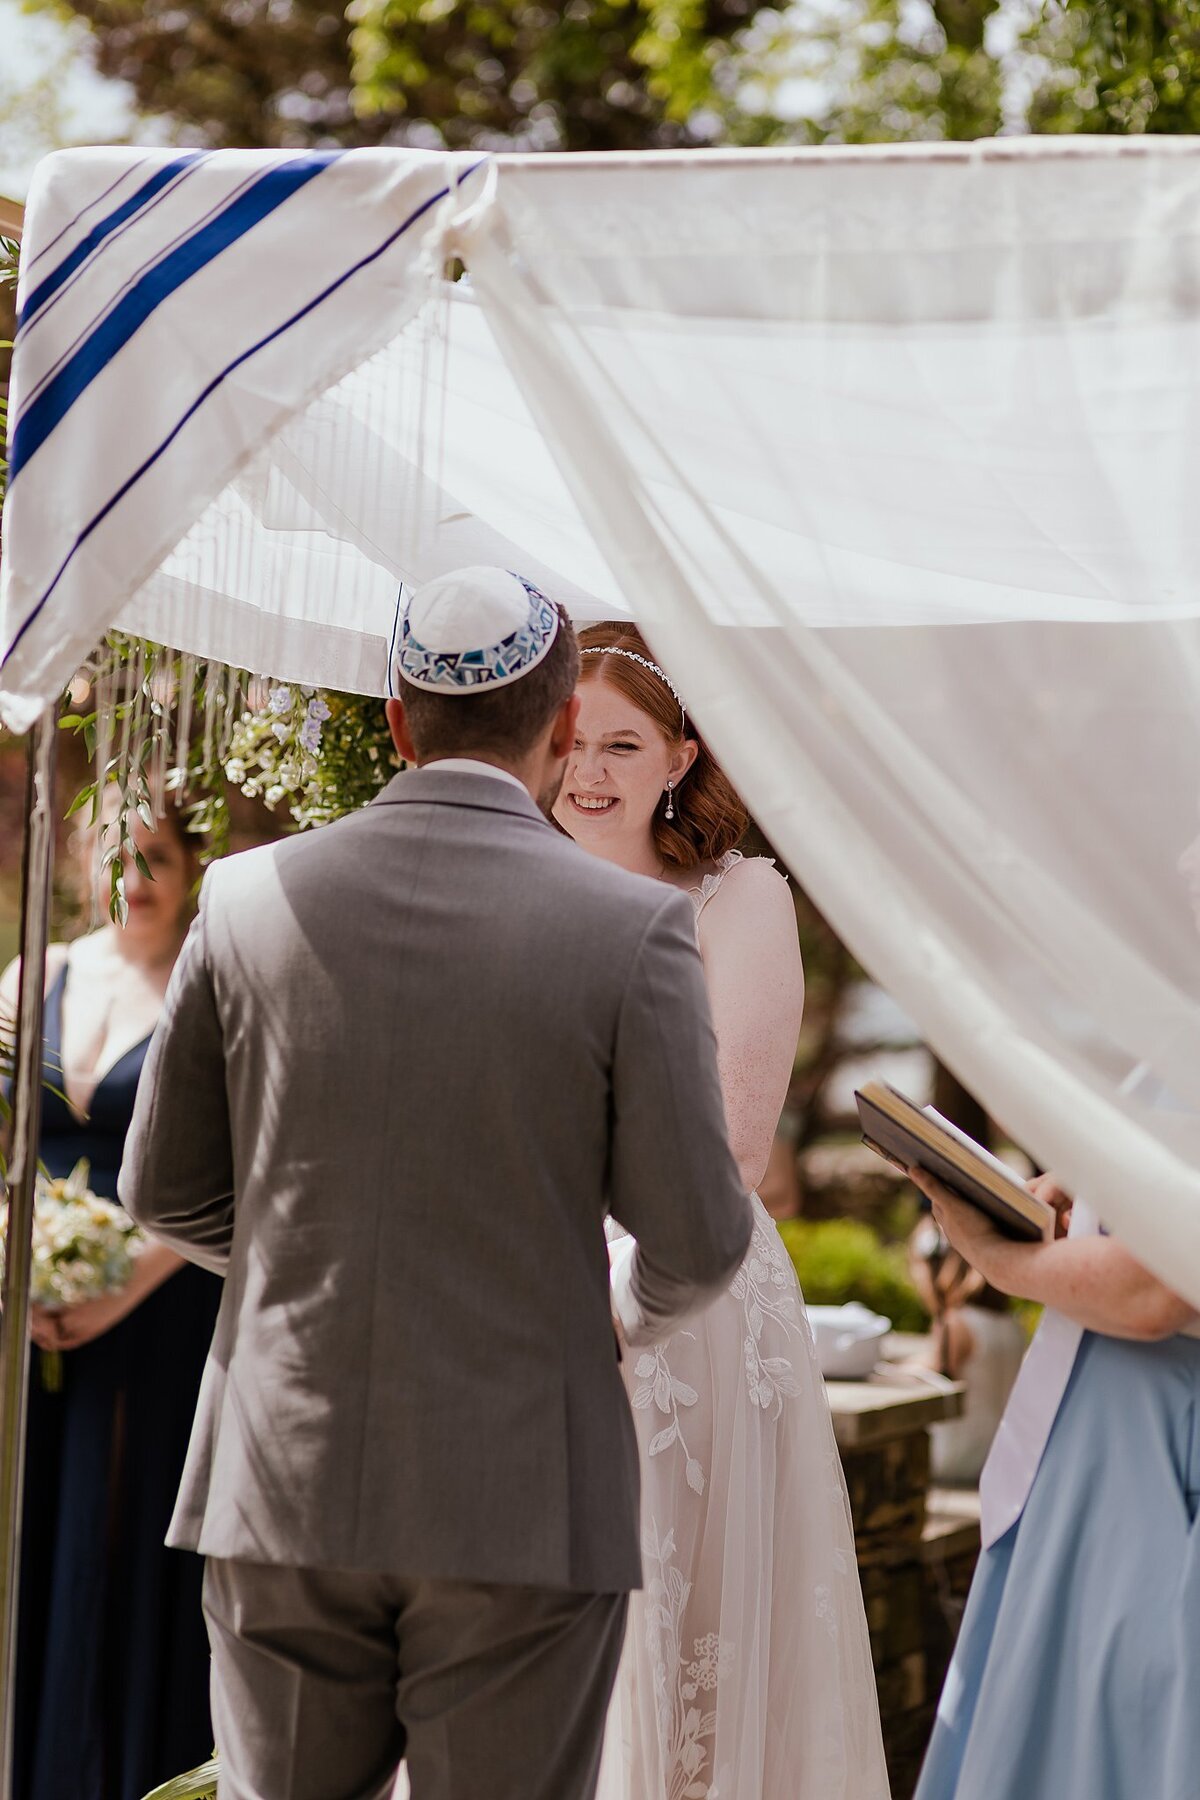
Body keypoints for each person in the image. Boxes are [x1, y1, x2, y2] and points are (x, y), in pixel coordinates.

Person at [120, 567, 755, 1800]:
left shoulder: (245, 900)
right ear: (566, 722)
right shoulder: (632, 931)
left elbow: (164, 1188)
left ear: (400, 721)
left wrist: (308, 1276)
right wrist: (602, 1323)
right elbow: (698, 1239)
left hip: (283, 1479)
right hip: (525, 1493)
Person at [555, 623, 890, 1800]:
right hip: (524, 1302)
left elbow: (737, 1146)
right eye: (568, 739)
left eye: (621, 743)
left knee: (687, 1637)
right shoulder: (509, 880)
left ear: (682, 757)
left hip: (683, 1297)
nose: (586, 769)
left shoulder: (736, 898)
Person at [0, 803, 221, 1800]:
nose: (136, 876)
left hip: (158, 1309)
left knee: (122, 1530)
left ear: (191, 867)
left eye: (159, 857)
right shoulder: (29, 976)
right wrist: (23, 1269)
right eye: (118, 853)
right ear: (83, 857)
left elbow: (241, 1166)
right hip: (23, 1310)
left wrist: (119, 1287)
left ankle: (117, 1770)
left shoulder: (209, 986)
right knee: (26, 1525)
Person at [911, 1165, 1200, 1800]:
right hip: (1096, 1456)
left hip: (1150, 1463)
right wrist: (1095, 1176)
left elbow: (1153, 1288)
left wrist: (991, 1253)